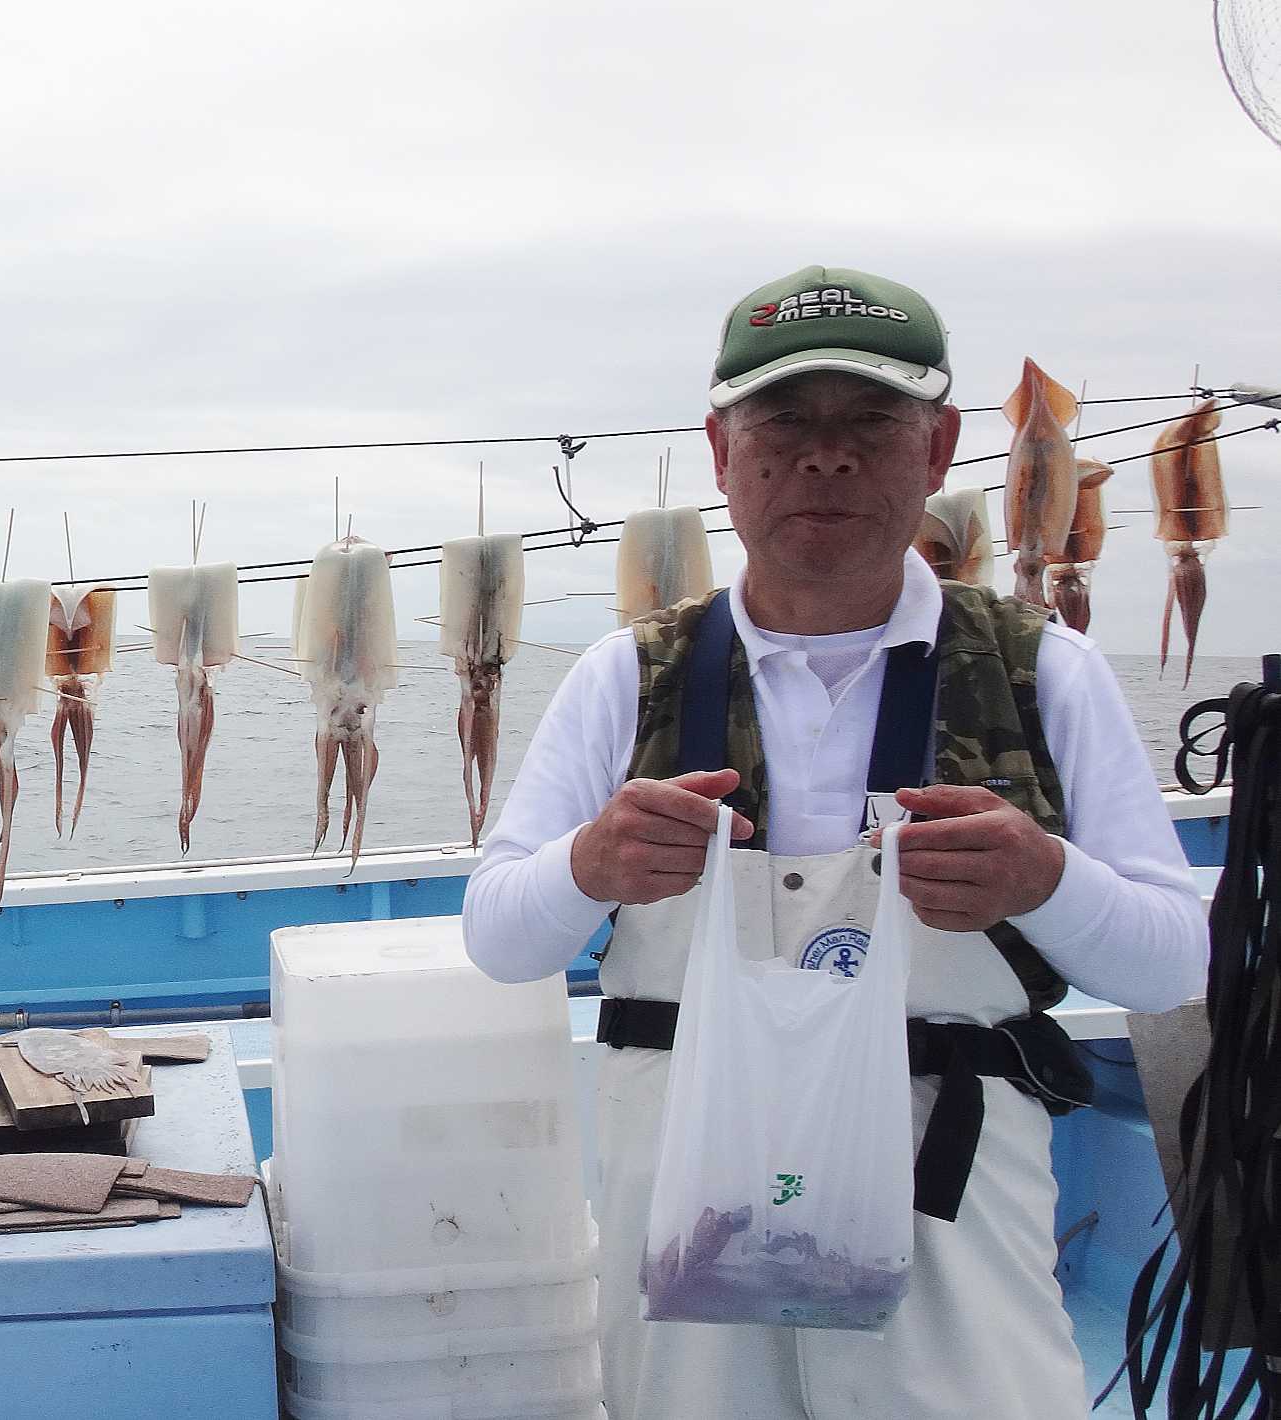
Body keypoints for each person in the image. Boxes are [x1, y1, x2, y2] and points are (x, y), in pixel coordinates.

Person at [462, 265, 1209, 1420]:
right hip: (687, 1224)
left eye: (869, 421)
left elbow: (1168, 965)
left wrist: (1043, 877)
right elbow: (499, 938)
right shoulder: (624, 676)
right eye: (781, 424)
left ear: (937, 447)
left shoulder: (1042, 671)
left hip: (951, 1219)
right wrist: (585, 866)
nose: (824, 457)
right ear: (720, 452)